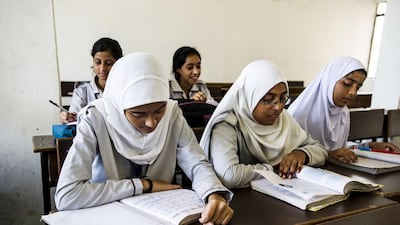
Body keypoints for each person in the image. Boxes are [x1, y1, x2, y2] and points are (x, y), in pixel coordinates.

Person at [55, 52, 233, 225]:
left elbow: (197, 164)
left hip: (162, 215)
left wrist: (213, 195)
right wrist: (143, 185)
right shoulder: (96, 117)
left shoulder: (172, 113)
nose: (151, 123)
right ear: (119, 104)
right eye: (137, 113)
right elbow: (67, 195)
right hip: (109, 215)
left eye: (159, 110)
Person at [199, 59, 328, 189]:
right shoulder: (227, 124)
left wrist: (302, 154)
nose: (278, 107)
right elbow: (230, 175)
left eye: (283, 99)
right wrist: (273, 168)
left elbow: (320, 150)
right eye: (268, 100)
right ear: (250, 97)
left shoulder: (284, 119)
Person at [287, 56, 399, 163]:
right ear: (329, 81)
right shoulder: (300, 114)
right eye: (347, 84)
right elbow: (289, 157)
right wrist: (328, 155)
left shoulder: (342, 112)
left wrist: (367, 146)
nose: (353, 92)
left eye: (358, 87)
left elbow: (339, 149)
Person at [59, 37, 123, 124]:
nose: (102, 68)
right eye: (98, 62)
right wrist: (69, 117)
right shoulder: (82, 92)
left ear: (118, 63)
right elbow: (75, 120)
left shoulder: (124, 90)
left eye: (108, 63)